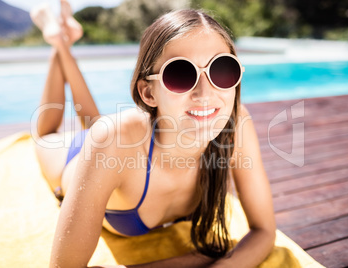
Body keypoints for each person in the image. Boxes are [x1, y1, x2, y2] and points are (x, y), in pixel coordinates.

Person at [31, 1, 276, 267]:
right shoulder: (112, 140)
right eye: (180, 74)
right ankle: (58, 41)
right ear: (149, 92)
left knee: (97, 125)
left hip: (116, 142)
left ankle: (60, 38)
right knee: (47, 133)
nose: (205, 94)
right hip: (76, 159)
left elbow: (264, 231)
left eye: (221, 70)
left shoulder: (236, 125)